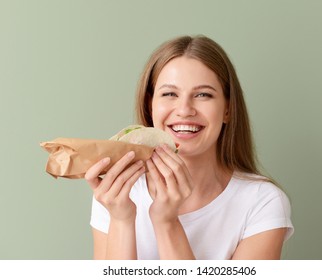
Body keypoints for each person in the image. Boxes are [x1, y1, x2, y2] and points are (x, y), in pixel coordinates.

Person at [86, 35, 294, 260]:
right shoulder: (118, 193)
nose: (184, 109)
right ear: (150, 106)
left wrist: (167, 222)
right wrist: (121, 220)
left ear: (227, 109)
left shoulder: (262, 202)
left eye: (203, 94)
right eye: (169, 94)